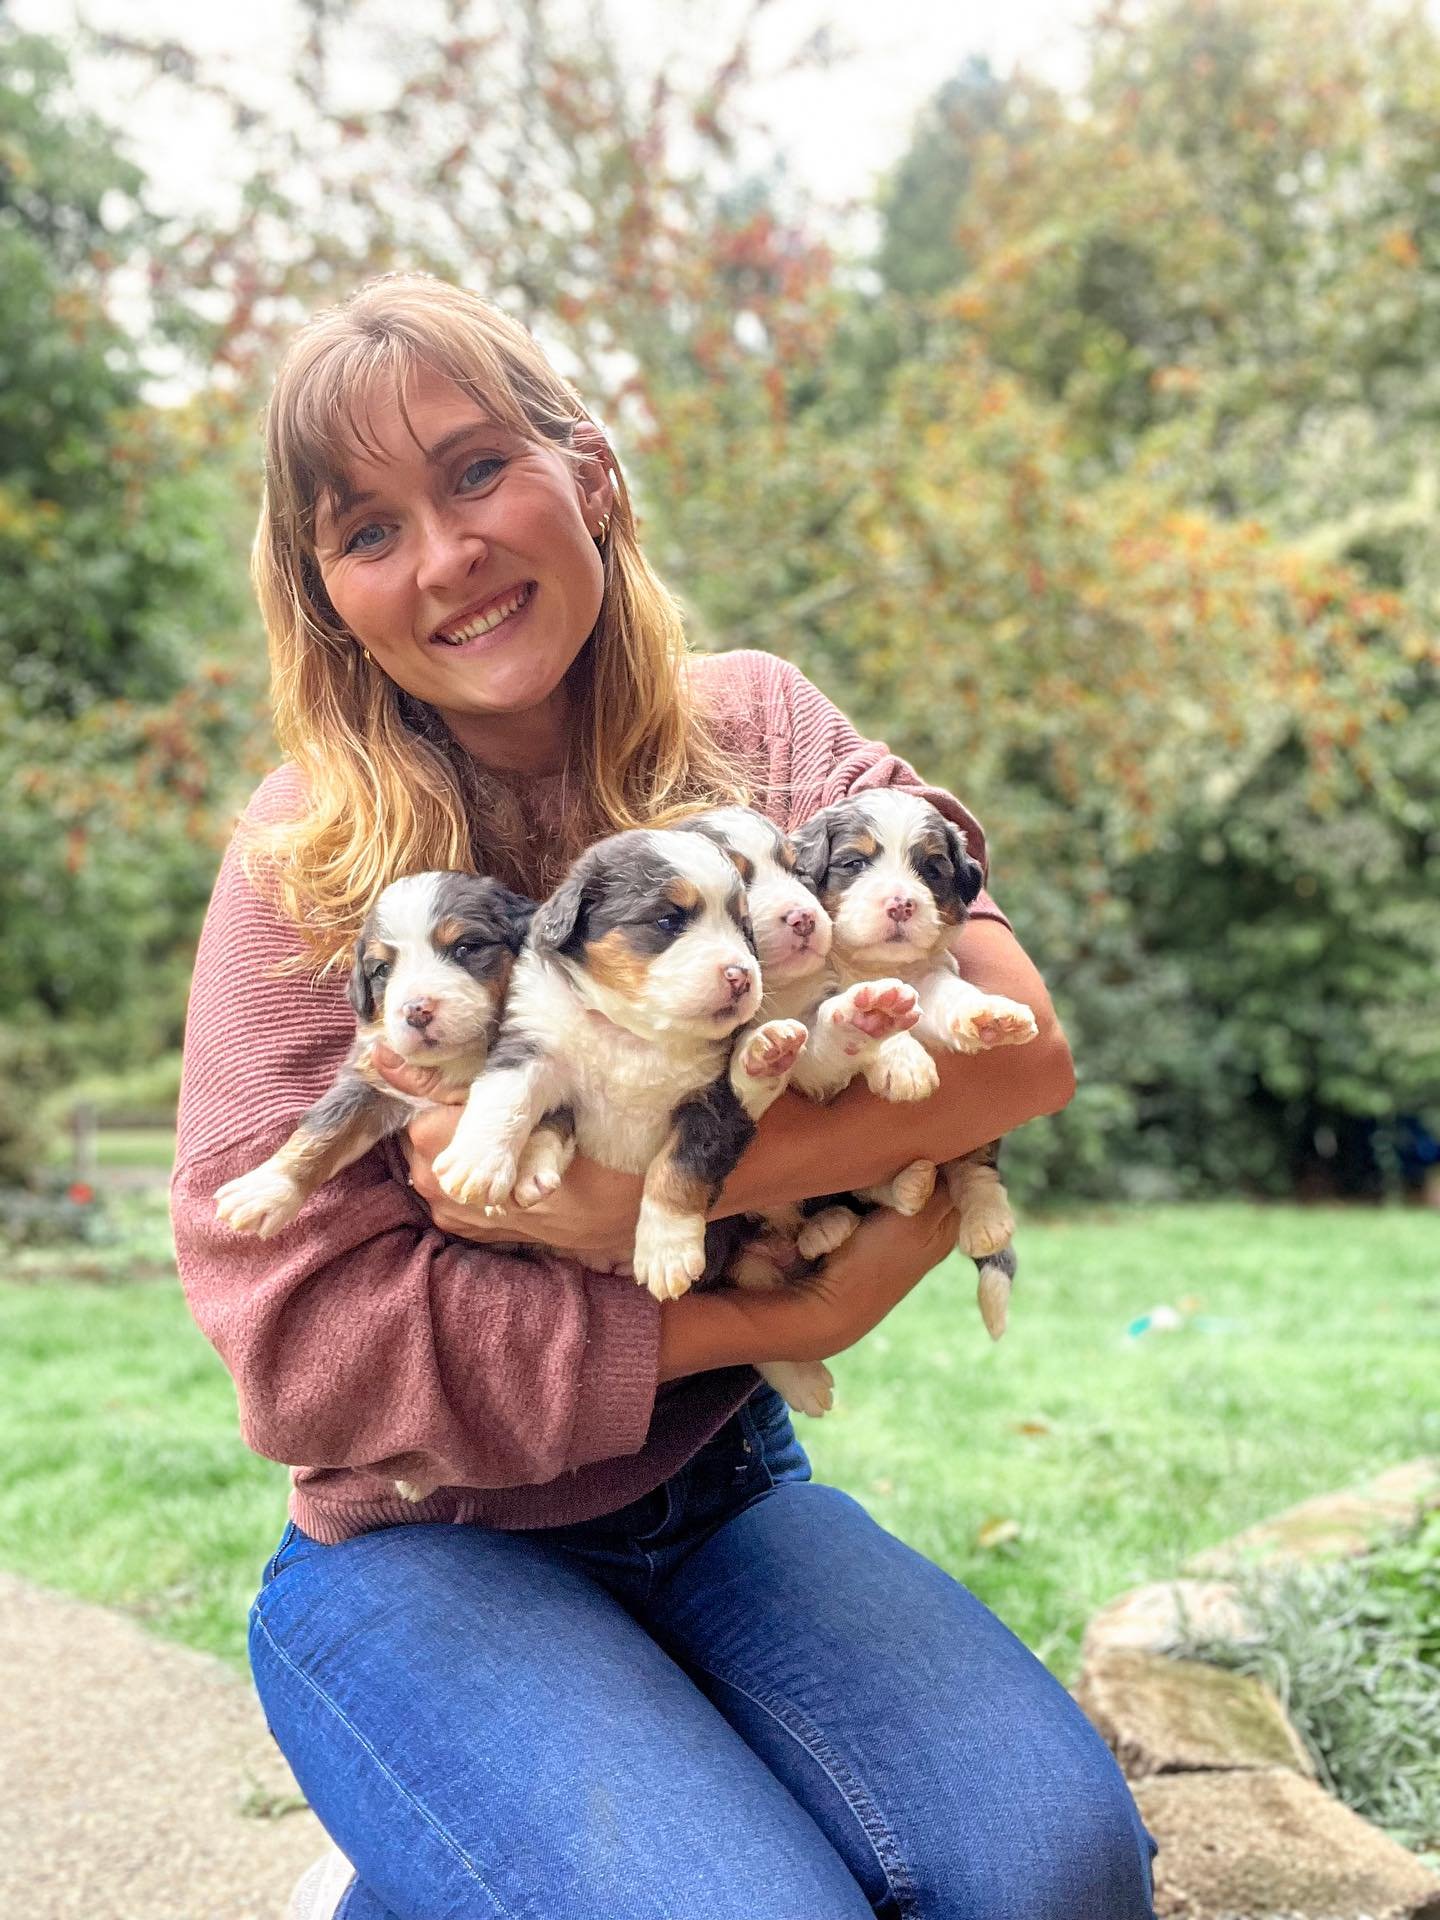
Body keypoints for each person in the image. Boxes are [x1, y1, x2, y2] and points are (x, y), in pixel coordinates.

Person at [171, 274, 1156, 1920]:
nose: (445, 555)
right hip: (421, 1544)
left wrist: (625, 1213)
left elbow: (1027, 1048)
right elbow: (297, 1356)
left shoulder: (759, 728)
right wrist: (767, 1307)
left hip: (719, 1491)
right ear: (328, 595)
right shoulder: (307, 862)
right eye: (367, 530)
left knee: (1055, 1870)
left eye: (480, 471)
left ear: (594, 477)